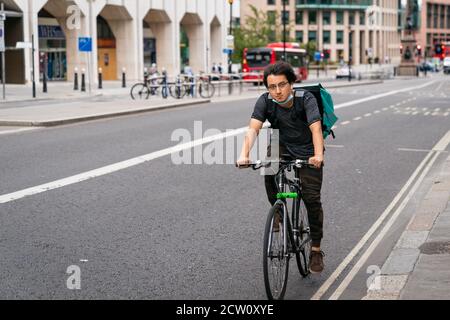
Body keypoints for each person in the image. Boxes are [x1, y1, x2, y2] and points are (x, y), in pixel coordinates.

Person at [236, 61, 326, 274]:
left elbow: (316, 130)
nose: (277, 91)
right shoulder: (265, 101)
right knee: (268, 170)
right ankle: (277, 209)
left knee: (311, 198)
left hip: (307, 147)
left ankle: (315, 250)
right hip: (281, 143)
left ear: (292, 83)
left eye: (282, 85)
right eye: (272, 86)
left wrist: (318, 155)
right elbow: (253, 129)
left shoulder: (306, 100)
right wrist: (244, 154)